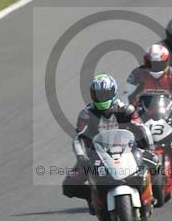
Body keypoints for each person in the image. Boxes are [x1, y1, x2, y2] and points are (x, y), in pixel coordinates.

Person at [61, 74, 157, 210]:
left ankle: (148, 194)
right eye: (97, 94)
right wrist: (81, 156)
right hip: (96, 154)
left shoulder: (126, 109)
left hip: (127, 150)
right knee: (69, 186)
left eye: (105, 94)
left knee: (155, 164)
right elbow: (79, 138)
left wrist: (149, 149)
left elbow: (142, 129)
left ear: (113, 92)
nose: (101, 98)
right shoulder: (86, 114)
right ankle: (94, 198)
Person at [124, 43, 172, 152]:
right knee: (124, 126)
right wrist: (127, 110)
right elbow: (126, 94)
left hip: (168, 110)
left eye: (158, 64)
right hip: (143, 110)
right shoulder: (137, 73)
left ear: (166, 62)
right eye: (151, 64)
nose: (154, 68)